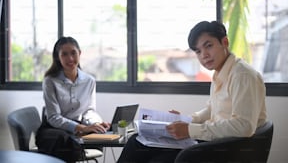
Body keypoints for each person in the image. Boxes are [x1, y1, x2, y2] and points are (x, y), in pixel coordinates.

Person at [116, 20, 267, 163]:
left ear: (225, 42)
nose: (204, 55)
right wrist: (185, 120)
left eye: (208, 46)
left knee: (157, 159)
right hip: (216, 143)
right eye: (198, 51)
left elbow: (244, 126)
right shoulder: (219, 74)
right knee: (137, 141)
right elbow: (212, 109)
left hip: (229, 150)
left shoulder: (242, 75)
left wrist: (190, 129)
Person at [35, 36, 111, 162]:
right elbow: (53, 117)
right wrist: (80, 128)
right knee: (65, 142)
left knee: (99, 137)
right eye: (64, 54)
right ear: (57, 57)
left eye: (73, 53)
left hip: (78, 130)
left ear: (79, 53)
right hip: (53, 130)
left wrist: (95, 123)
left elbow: (89, 111)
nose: (70, 58)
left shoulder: (89, 81)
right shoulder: (50, 81)